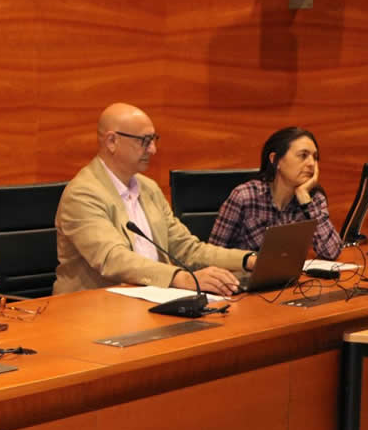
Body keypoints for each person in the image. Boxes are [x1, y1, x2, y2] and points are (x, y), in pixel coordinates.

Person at [54, 103, 255, 296]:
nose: (152, 150)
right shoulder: (83, 194)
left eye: (153, 140)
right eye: (144, 141)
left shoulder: (148, 188)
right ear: (112, 141)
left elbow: (187, 250)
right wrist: (181, 278)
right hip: (93, 311)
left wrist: (249, 260)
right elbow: (112, 259)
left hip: (151, 299)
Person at [209, 127, 342, 260]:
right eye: (303, 156)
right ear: (275, 160)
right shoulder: (245, 196)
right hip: (241, 277)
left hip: (291, 279)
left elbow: (331, 252)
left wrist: (306, 201)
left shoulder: (313, 199)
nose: (312, 164)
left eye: (315, 157)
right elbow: (211, 255)